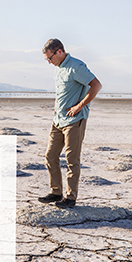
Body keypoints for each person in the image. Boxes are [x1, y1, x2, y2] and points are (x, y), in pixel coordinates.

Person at [38, 38, 102, 208]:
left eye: (50, 58)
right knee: (50, 156)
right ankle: (56, 192)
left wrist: (79, 106)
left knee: (71, 160)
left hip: (74, 120)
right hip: (58, 119)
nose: (49, 62)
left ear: (59, 51)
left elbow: (96, 85)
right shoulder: (58, 68)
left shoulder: (76, 66)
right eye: (47, 60)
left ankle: (70, 198)